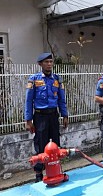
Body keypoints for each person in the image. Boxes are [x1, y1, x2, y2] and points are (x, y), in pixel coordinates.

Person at [25, 52, 69, 182]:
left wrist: (64, 114)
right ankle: (39, 173)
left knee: (56, 143)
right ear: (40, 64)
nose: (49, 64)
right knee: (40, 144)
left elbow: (62, 98)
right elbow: (28, 101)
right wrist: (28, 120)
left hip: (53, 115)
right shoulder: (34, 79)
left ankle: (57, 170)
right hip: (40, 117)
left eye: (50, 62)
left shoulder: (57, 79)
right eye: (46, 62)